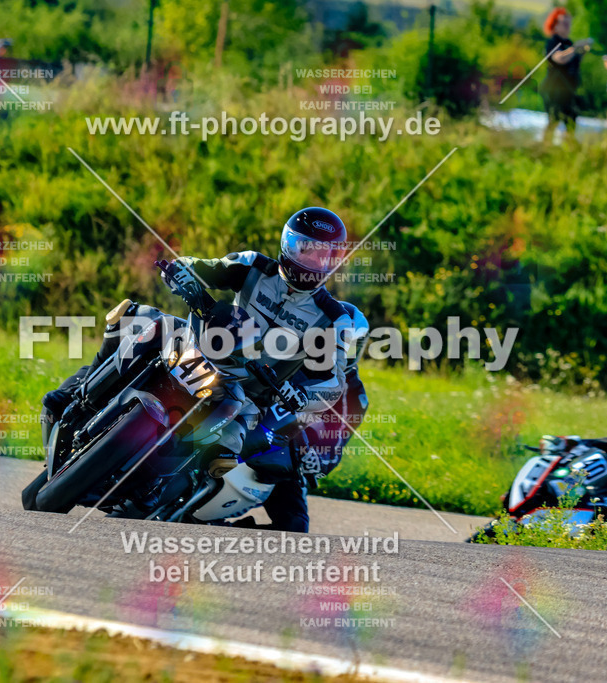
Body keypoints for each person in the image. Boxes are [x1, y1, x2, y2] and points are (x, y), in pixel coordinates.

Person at [41, 206, 358, 472]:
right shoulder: (253, 265)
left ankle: (168, 486)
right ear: (288, 245)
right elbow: (202, 267)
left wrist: (301, 396)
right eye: (305, 249)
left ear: (335, 261)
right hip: (207, 349)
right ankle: (74, 396)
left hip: (250, 395)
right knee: (134, 317)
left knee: (223, 454)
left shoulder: (334, 318)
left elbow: (333, 382)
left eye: (323, 255)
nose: (311, 262)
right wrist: (181, 272)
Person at [239, 302, 370, 532]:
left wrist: (315, 461)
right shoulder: (288, 353)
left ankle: (216, 530)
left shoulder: (354, 395)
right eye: (335, 342)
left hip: (282, 456)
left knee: (295, 527)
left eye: (350, 346)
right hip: (240, 422)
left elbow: (333, 447)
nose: (341, 352)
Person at [539, 8, 593, 143]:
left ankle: (567, 152)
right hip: (554, 90)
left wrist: (584, 50)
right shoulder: (552, 42)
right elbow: (559, 58)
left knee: (571, 122)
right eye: (564, 23)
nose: (568, 27)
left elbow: (575, 62)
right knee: (554, 120)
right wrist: (575, 48)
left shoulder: (568, 43)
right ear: (555, 25)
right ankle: (545, 148)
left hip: (569, 90)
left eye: (569, 23)